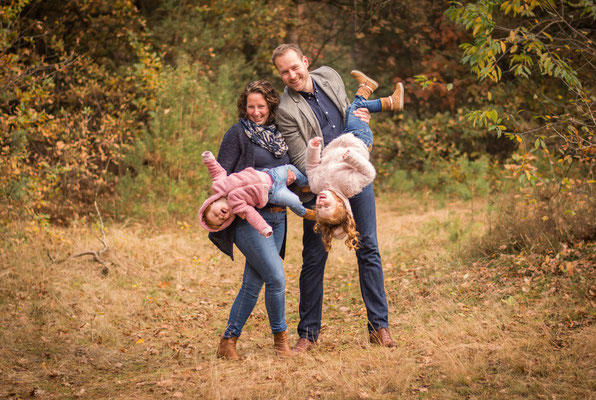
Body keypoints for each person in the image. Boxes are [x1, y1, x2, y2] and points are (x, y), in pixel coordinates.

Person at [271, 43, 400, 351]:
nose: (291, 75)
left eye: (294, 67)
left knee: (368, 247)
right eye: (283, 72)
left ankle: (379, 327)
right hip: (322, 186)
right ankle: (308, 334)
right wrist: (329, 178)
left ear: (305, 61)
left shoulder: (329, 76)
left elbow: (349, 117)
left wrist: (360, 125)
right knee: (315, 257)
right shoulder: (286, 110)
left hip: (354, 177)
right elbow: (303, 158)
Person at [206, 80, 296, 359]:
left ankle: (228, 341)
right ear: (244, 108)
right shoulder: (237, 134)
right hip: (247, 219)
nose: (256, 112)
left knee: (254, 282)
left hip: (278, 218)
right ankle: (281, 341)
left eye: (261, 106)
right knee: (277, 278)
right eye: (250, 107)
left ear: (270, 106)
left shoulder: (280, 134)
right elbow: (221, 176)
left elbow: (288, 172)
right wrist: (219, 205)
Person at [306, 73, 404, 251]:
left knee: (353, 109)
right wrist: (351, 158)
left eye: (319, 208)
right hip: (359, 140)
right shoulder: (349, 186)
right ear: (340, 204)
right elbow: (368, 173)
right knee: (354, 109)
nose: (320, 202)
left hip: (343, 138)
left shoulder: (316, 186)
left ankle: (366, 87)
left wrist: (312, 150)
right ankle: (390, 101)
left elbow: (312, 167)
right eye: (326, 205)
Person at [198, 151, 315, 237]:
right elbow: (251, 214)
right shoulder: (237, 207)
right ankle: (304, 212)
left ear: (211, 203)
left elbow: (216, 172)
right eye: (222, 220)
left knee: (290, 168)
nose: (221, 216)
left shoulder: (219, 185)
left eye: (215, 214)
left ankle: (306, 185)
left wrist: (209, 159)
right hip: (272, 192)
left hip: (271, 175)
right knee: (294, 200)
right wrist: (263, 228)